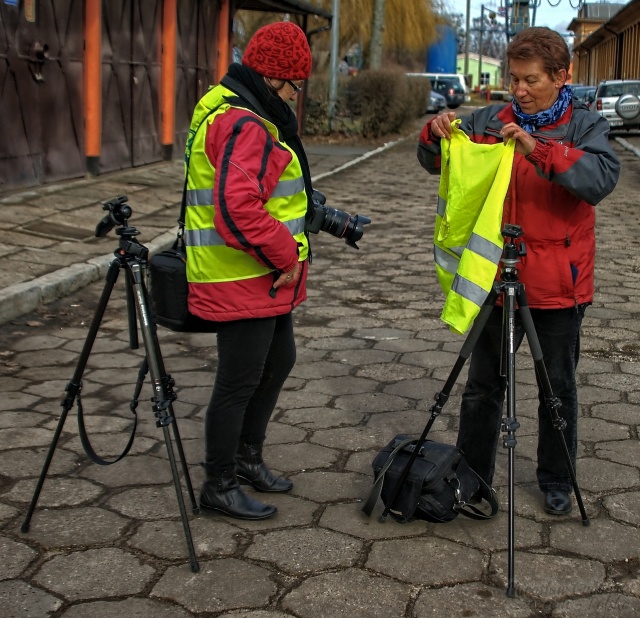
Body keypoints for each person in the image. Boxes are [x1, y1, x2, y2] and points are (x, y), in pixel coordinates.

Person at [417, 27, 620, 515]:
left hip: (559, 285)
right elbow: (434, 160)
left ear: (562, 76)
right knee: (484, 386)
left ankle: (556, 478)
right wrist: (433, 133)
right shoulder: (491, 119)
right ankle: (471, 477)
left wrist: (541, 149)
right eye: (515, 79)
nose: (520, 90)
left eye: (531, 80)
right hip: (495, 279)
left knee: (558, 388)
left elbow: (600, 179)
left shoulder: (585, 125)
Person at [183, 21, 314, 520]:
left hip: (250, 274)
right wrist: (286, 256)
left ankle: (246, 459)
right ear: (272, 78)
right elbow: (238, 207)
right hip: (243, 274)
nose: (295, 96)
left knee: (279, 360)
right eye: (294, 86)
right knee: (238, 381)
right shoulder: (246, 123)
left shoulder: (222, 104)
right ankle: (218, 482)